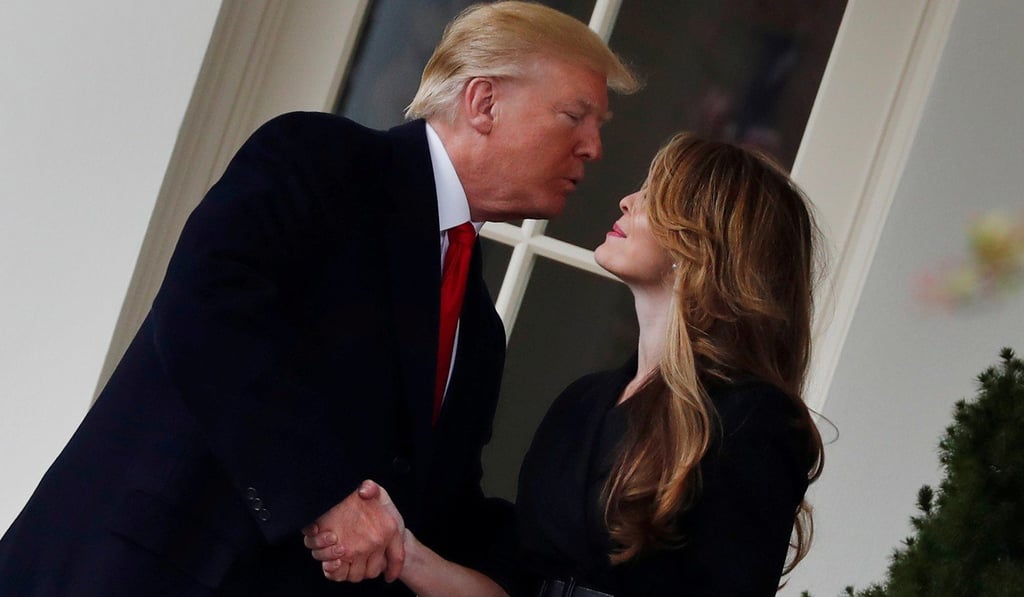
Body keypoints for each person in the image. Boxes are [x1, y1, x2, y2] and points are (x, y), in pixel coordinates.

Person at [0, 3, 638, 596]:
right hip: (136, 569)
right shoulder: (321, 160)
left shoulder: (476, 327)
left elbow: (439, 510)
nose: (594, 147)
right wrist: (322, 494)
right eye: (574, 115)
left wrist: (597, 554)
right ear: (483, 101)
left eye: (601, 126)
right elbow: (208, 316)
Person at [309, 132, 826, 596]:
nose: (627, 200)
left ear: (705, 245)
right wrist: (403, 550)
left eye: (655, 197)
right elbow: (514, 585)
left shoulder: (754, 419)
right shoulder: (584, 402)